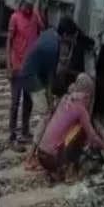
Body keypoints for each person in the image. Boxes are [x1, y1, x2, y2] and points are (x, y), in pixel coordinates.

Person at [22, 16, 79, 170]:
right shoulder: (54, 48)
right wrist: (51, 100)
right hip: (32, 79)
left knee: (46, 111)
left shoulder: (49, 33)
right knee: (46, 115)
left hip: (29, 72)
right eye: (72, 37)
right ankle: (30, 158)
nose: (72, 40)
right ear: (66, 35)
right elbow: (50, 80)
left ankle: (31, 145)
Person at [36, 73, 104, 181]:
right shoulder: (81, 109)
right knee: (82, 133)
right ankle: (68, 173)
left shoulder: (65, 98)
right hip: (52, 159)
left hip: (41, 156)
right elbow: (93, 137)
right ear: (88, 92)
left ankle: (53, 171)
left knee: (70, 129)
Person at [6, 0, 44, 151]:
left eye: (31, 6)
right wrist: (8, 64)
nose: (28, 9)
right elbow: (8, 42)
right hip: (17, 67)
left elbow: (42, 30)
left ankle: (25, 131)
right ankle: (12, 136)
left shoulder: (35, 16)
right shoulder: (14, 18)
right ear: (21, 3)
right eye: (27, 5)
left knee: (28, 101)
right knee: (15, 102)